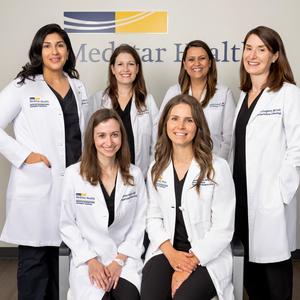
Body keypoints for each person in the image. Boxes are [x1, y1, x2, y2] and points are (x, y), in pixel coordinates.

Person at [0, 24, 88, 299]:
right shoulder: (23, 86)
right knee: (35, 260)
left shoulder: (77, 86)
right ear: (38, 50)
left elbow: (80, 134)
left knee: (62, 260)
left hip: (72, 181)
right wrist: (25, 156)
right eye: (47, 45)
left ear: (68, 51)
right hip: (37, 184)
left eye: (60, 45)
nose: (54, 51)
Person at [141, 94, 235, 300]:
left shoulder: (217, 168)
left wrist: (190, 263)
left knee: (183, 297)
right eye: (174, 118)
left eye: (189, 120)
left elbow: (223, 228)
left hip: (207, 255)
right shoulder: (156, 169)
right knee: (151, 294)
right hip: (167, 250)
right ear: (165, 123)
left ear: (198, 125)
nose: (180, 126)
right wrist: (172, 255)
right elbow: (153, 218)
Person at [231, 25, 300, 300]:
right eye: (249, 48)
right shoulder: (244, 96)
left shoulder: (288, 93)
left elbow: (298, 149)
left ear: (275, 56)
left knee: (275, 280)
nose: (253, 55)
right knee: (250, 275)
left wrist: (280, 193)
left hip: (269, 202)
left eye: (261, 49)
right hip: (242, 200)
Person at [60, 108, 147, 300]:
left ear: (122, 138)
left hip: (124, 259)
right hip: (89, 260)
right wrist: (90, 260)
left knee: (129, 297)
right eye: (101, 135)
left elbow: (140, 223)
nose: (109, 142)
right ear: (92, 139)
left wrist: (119, 261)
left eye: (114, 135)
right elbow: (67, 224)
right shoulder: (73, 175)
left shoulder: (135, 174)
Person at [88, 44, 158, 178]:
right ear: (113, 69)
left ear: (137, 68)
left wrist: (150, 171)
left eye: (130, 64)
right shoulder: (98, 100)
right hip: (105, 175)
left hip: (140, 175)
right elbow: (89, 140)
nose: (125, 69)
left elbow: (157, 141)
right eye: (120, 64)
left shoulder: (148, 101)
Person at [160, 40, 236, 160]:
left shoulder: (224, 93)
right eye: (191, 59)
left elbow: (229, 137)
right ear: (184, 64)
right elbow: (162, 129)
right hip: (178, 162)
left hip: (213, 162)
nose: (197, 63)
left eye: (202, 58)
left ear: (210, 62)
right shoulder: (173, 92)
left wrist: (217, 164)